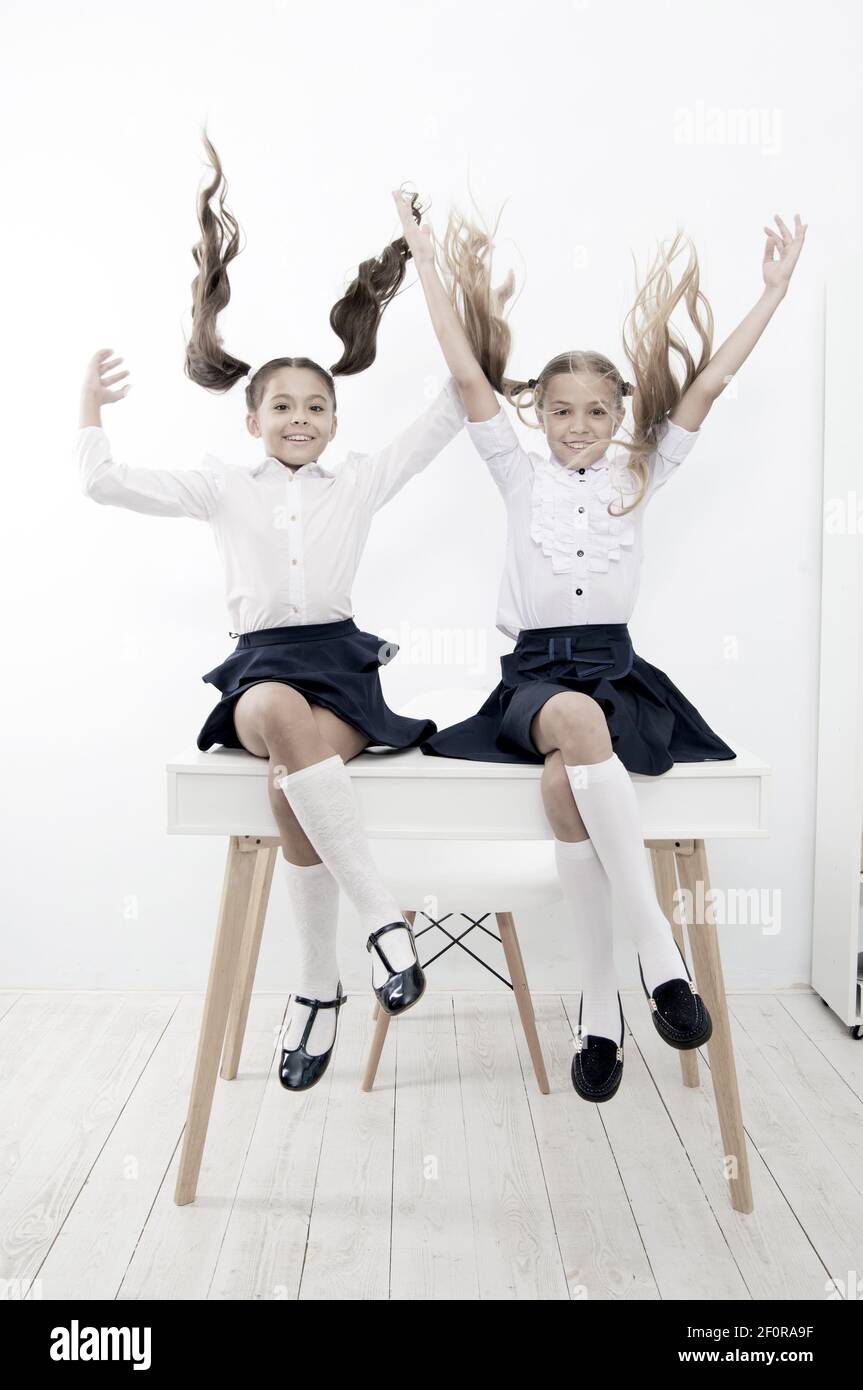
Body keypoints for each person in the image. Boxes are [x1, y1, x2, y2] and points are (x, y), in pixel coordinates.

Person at [75, 134, 469, 1094]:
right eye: (281, 405)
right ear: (250, 419)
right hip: (261, 670)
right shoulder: (222, 486)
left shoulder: (364, 480)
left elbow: (460, 405)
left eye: (316, 406)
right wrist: (87, 404)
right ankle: (383, 919)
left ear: (336, 421)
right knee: (281, 724)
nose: (300, 417)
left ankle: (317, 988)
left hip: (341, 666)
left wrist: (421, 252)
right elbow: (103, 484)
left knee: (295, 782)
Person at [392, 188, 806, 1100]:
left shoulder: (642, 468)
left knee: (563, 789)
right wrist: (424, 257)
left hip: (616, 668)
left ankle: (596, 1010)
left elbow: (709, 385)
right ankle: (660, 962)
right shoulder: (514, 471)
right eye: (560, 411)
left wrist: (771, 294)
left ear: (618, 416)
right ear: (536, 415)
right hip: (539, 676)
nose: (577, 426)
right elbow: (467, 377)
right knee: (573, 724)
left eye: (594, 411)